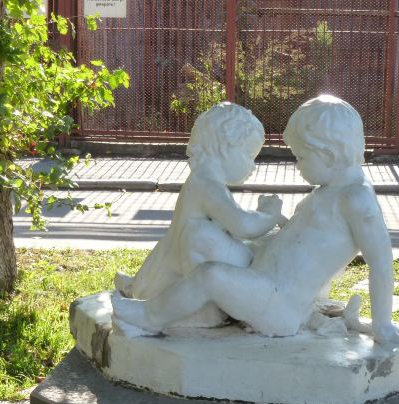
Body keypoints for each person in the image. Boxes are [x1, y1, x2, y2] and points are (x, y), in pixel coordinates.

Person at [113, 95, 399, 345]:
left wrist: (382, 324)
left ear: (328, 154)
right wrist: (273, 221)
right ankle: (161, 295)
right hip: (264, 281)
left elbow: (381, 262)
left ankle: (150, 316)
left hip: (278, 305)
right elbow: (305, 243)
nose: (297, 166)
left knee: (210, 275)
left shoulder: (357, 199)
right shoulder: (329, 191)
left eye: (301, 157)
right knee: (199, 236)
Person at [114, 102, 286, 326]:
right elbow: (244, 226)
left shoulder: (200, 180)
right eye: (249, 156)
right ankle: (204, 309)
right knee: (198, 235)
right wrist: (270, 214)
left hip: (178, 259)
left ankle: (142, 287)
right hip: (190, 262)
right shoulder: (208, 186)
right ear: (225, 148)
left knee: (186, 238)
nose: (253, 166)